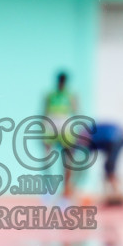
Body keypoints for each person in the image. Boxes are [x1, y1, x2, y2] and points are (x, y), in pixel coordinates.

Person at [42, 71, 80, 200]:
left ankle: (67, 188)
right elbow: (44, 111)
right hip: (52, 122)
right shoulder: (50, 95)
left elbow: (76, 111)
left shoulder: (70, 95)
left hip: (64, 123)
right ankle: (48, 187)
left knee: (68, 158)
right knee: (47, 156)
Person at [74, 121, 123, 205]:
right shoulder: (87, 140)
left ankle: (118, 194)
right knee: (107, 167)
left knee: (109, 167)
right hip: (114, 138)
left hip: (117, 137)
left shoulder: (86, 137)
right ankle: (111, 195)